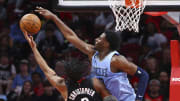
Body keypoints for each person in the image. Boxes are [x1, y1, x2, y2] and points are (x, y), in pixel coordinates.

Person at [35, 7, 149, 101]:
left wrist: (138, 99)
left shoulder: (116, 60)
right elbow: (71, 37)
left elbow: (144, 75)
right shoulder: (92, 53)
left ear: (107, 44)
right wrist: (54, 17)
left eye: (100, 39)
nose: (96, 39)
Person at [23, 31, 118, 101]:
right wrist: (34, 48)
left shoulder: (92, 82)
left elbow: (46, 70)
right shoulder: (93, 83)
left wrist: (34, 48)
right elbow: (46, 70)